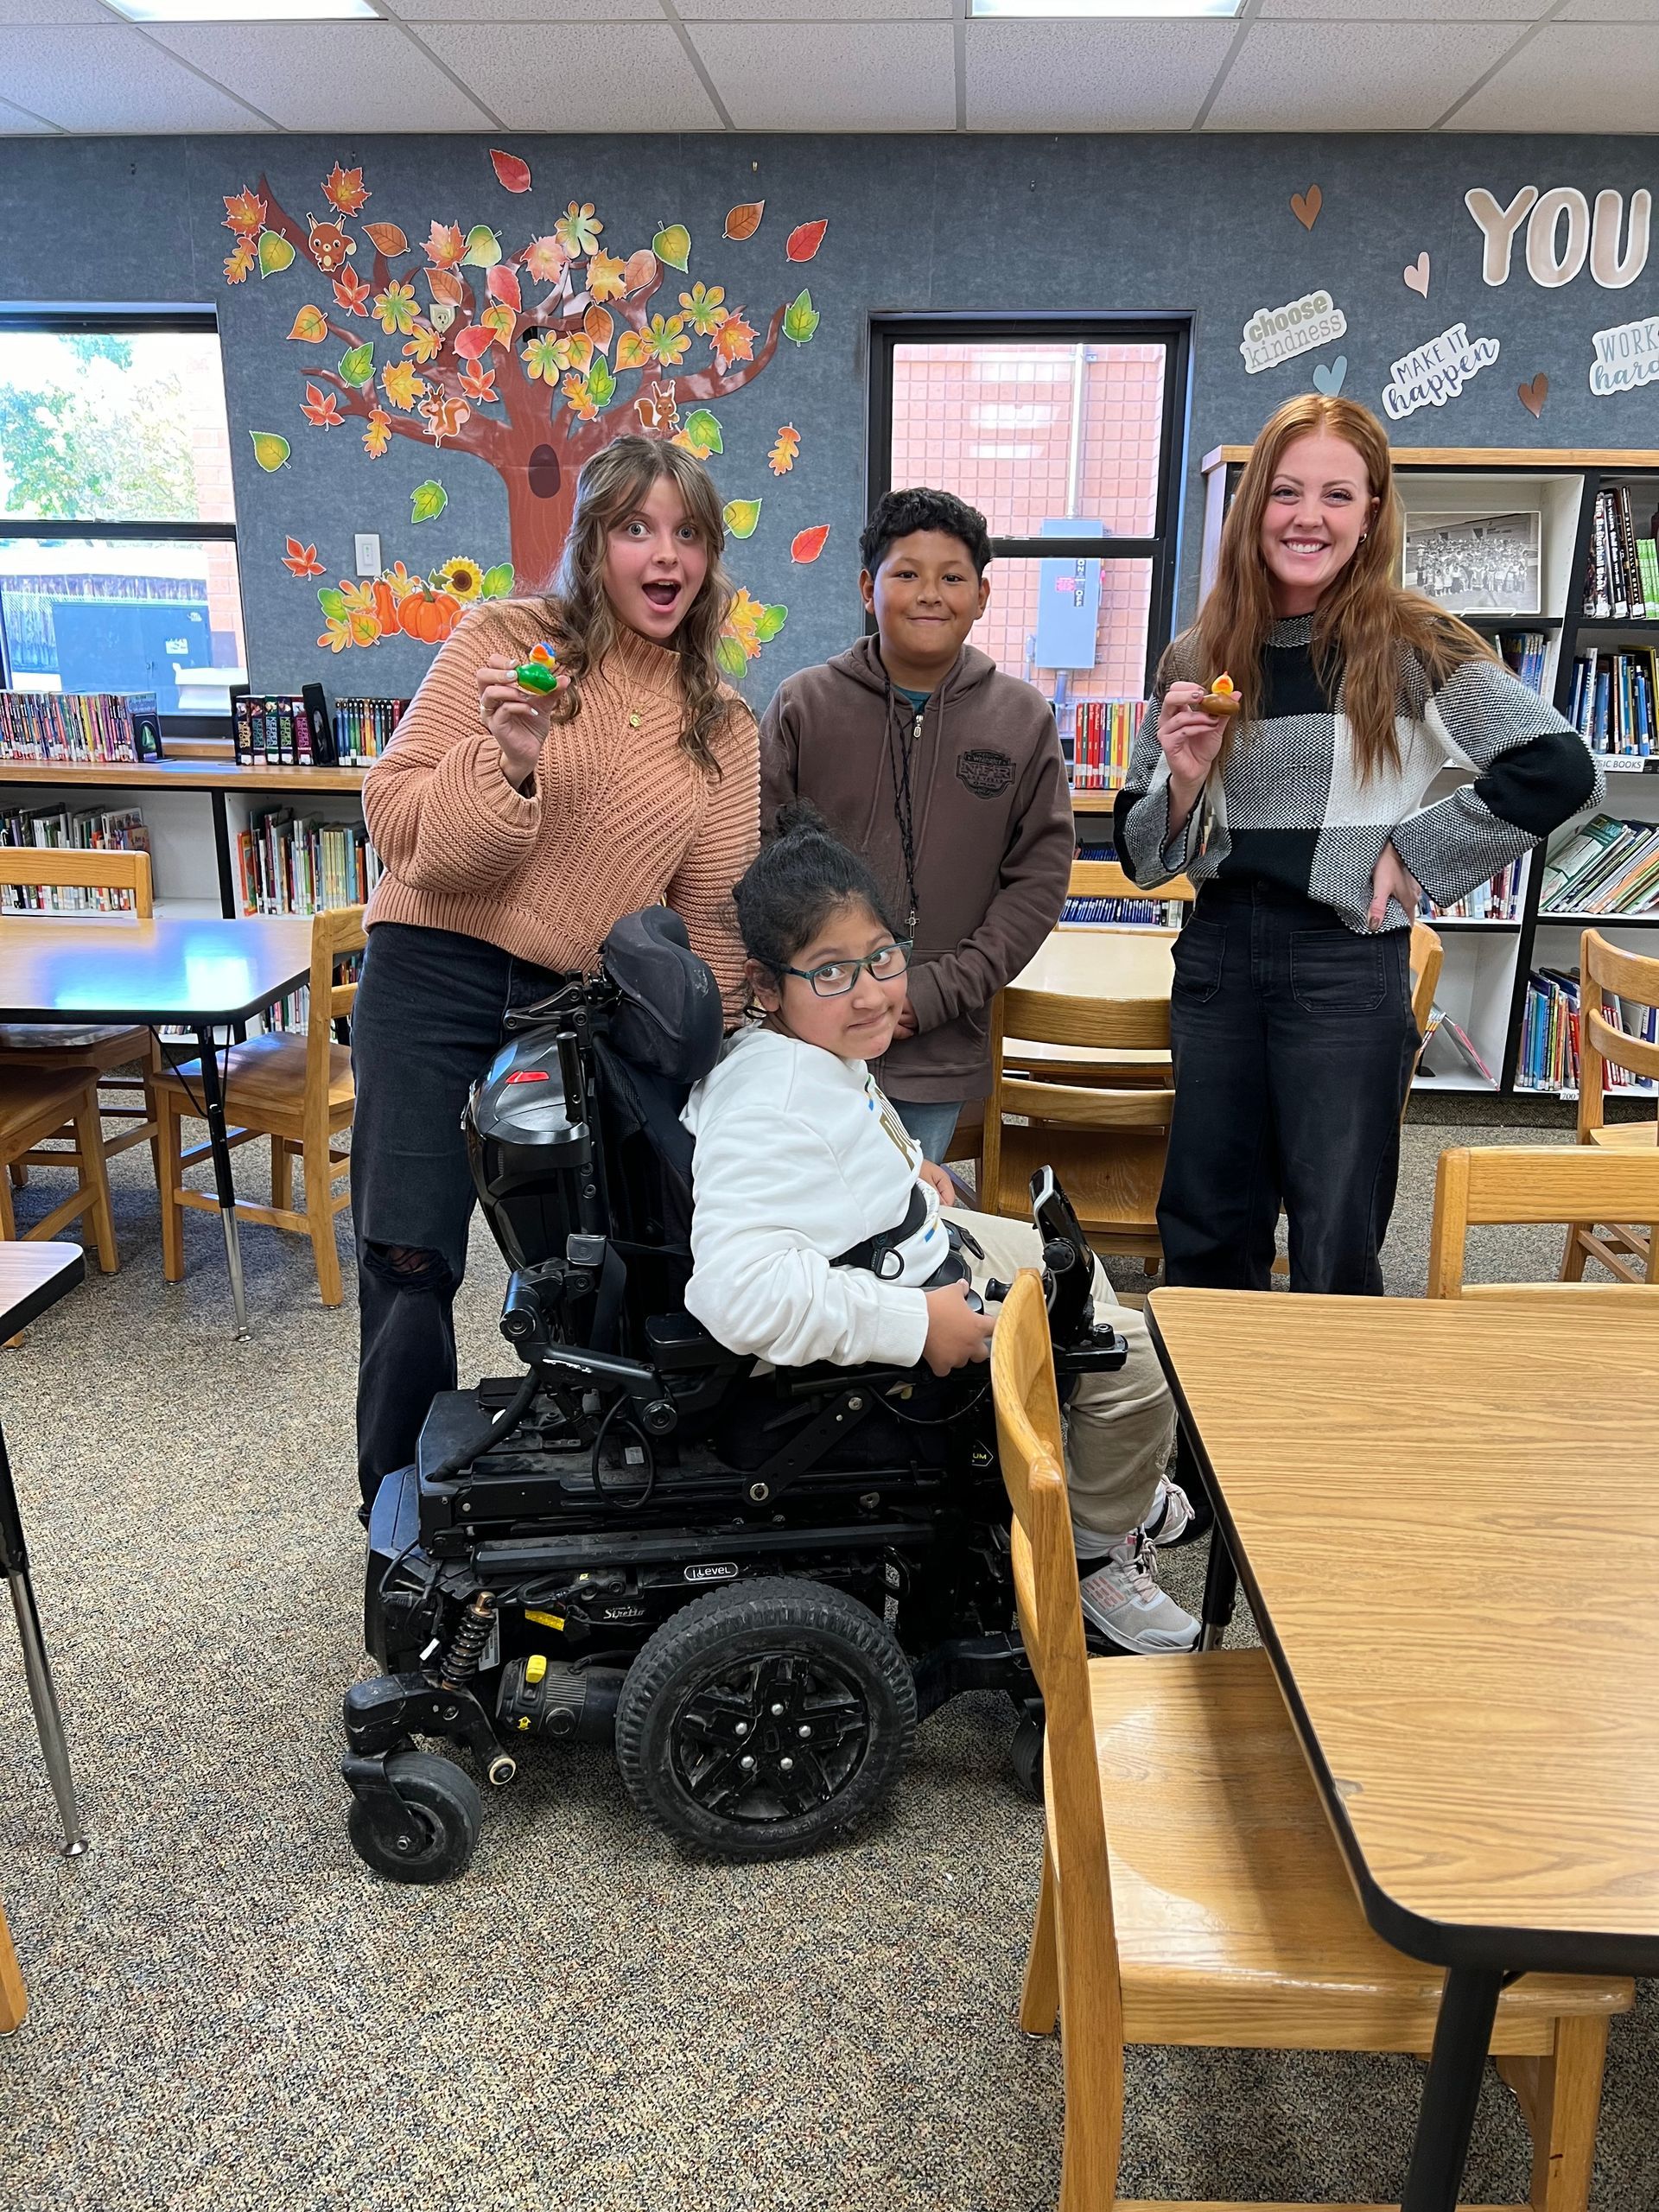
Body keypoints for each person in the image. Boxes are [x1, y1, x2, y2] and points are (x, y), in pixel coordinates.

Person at [350, 436, 760, 1512]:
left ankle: (599, 1499)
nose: (665, 555)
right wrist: (507, 759)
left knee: (603, 1264)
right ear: (593, 543)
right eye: (636, 528)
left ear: (710, 559)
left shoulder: (721, 722)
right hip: (429, 972)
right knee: (410, 1257)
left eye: (688, 533)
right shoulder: (505, 641)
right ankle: (397, 1509)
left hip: (577, 1010)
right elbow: (400, 829)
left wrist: (713, 1067)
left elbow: (711, 922)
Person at [681, 804, 1198, 1656]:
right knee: (1141, 1364)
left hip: (912, 1236)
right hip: (899, 1297)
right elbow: (737, 1291)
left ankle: (1112, 1482)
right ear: (765, 987)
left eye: (881, 957)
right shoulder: (769, 1104)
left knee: (1072, 1264)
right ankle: (1095, 1552)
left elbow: (843, 1124)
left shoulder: (804, 1053)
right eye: (833, 972)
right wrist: (918, 1323)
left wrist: (904, 1166)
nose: (873, 990)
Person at [1115, 394, 1602, 1293]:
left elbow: (1561, 767)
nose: (1309, 517)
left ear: (1373, 511)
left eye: (1338, 495)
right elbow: (1146, 860)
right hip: (1218, 955)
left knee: (1337, 1235)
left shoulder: (1412, 642)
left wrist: (1417, 852)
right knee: (1205, 1227)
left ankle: (1321, 1431)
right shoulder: (1198, 652)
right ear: (1253, 502)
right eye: (1287, 491)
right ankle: (1208, 1432)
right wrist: (1182, 780)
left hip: (1343, 962)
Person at [760, 487, 1074, 1164]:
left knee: (904, 1212)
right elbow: (762, 858)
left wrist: (927, 994)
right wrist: (813, 988)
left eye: (953, 577)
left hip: (932, 1040)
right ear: (869, 586)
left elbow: (1038, 884)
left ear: (983, 595)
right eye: (907, 574)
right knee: (803, 1205)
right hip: (808, 1032)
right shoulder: (804, 704)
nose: (930, 593)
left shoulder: (1021, 719)